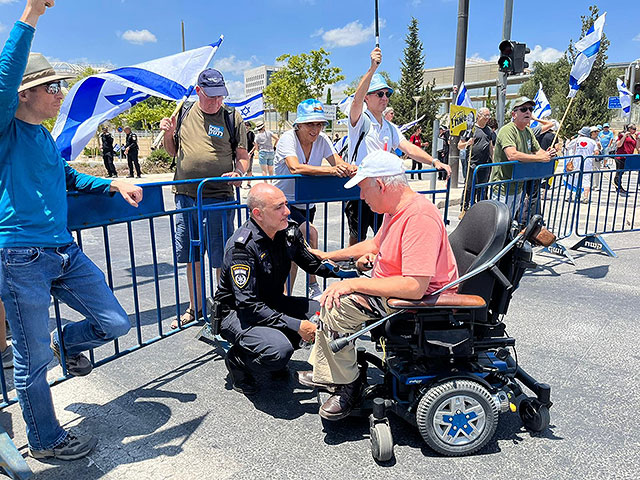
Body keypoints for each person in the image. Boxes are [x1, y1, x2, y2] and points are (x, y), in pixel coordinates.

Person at [0, 0, 144, 460]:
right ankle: (44, 440)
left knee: (115, 321)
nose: (61, 93)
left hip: (61, 249)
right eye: (53, 86)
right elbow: (5, 75)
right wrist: (31, 15)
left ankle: (68, 343)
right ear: (25, 93)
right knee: (31, 356)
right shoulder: (5, 127)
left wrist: (112, 183)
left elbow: (67, 177)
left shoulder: (42, 134)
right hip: (19, 255)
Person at [298, 150, 459, 420]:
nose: (361, 197)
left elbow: (414, 287)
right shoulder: (395, 209)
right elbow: (374, 245)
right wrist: (328, 255)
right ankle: (330, 373)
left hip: (416, 301)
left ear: (381, 185)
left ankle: (349, 385)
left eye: (363, 189)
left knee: (337, 306)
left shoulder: (419, 217)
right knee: (333, 298)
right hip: (395, 288)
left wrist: (354, 285)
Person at [214, 183, 340, 395]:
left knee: (328, 312)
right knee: (278, 350)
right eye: (279, 207)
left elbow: (311, 263)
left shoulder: (287, 231)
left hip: (271, 302)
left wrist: (351, 269)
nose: (287, 211)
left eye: (286, 204)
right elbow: (248, 305)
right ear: (258, 214)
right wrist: (298, 325)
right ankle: (239, 361)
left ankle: (273, 352)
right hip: (239, 312)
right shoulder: (242, 248)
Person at [160, 68, 250, 329]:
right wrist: (168, 133)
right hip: (186, 197)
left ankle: (223, 307)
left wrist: (239, 172)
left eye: (220, 96)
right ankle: (195, 306)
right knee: (192, 254)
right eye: (210, 96)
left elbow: (242, 156)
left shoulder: (233, 117)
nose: (216, 102)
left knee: (222, 256)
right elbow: (172, 152)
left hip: (219, 197)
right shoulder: (184, 113)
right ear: (198, 91)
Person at [345, 47, 451, 246]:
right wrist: (372, 68)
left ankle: (382, 270)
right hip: (363, 187)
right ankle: (355, 268)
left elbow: (409, 148)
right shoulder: (360, 120)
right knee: (357, 235)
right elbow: (356, 100)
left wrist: (434, 161)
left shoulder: (391, 127)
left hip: (384, 190)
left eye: (387, 94)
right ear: (368, 97)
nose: (385, 98)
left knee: (385, 236)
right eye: (379, 94)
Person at [273, 99, 355, 298]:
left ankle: (287, 298)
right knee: (308, 235)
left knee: (293, 253)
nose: (316, 128)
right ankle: (312, 283)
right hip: (284, 205)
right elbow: (295, 167)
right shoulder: (287, 139)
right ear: (298, 124)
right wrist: (331, 171)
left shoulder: (323, 140)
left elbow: (338, 163)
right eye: (310, 123)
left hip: (306, 204)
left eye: (319, 124)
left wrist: (349, 168)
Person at [490, 97, 556, 216]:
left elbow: (539, 151)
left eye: (530, 109)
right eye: (524, 109)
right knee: (499, 224)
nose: (528, 112)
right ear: (514, 114)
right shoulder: (507, 130)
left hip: (518, 187)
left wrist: (548, 154)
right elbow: (512, 155)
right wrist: (541, 158)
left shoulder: (528, 131)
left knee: (510, 222)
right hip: (503, 187)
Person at [460, 107, 494, 213]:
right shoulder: (470, 129)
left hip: (485, 164)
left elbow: (491, 146)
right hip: (472, 163)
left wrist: (493, 160)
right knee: (469, 186)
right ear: (479, 116)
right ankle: (465, 207)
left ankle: (481, 208)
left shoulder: (489, 131)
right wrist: (467, 143)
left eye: (489, 116)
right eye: (485, 116)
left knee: (483, 187)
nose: (487, 118)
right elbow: (459, 145)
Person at [614, 124, 637, 195]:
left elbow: (636, 146)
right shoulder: (622, 134)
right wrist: (624, 136)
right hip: (620, 156)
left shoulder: (632, 137)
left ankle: (619, 186)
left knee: (622, 172)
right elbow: (618, 145)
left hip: (627, 157)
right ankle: (618, 187)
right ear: (629, 128)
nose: (634, 130)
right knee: (619, 172)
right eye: (633, 128)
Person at [243, 120, 256, 189]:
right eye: (245, 125)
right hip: (242, 154)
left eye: (247, 126)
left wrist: (250, 153)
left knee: (249, 169)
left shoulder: (251, 134)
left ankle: (248, 183)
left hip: (249, 154)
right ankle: (240, 182)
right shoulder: (241, 134)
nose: (246, 127)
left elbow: (255, 145)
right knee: (241, 168)